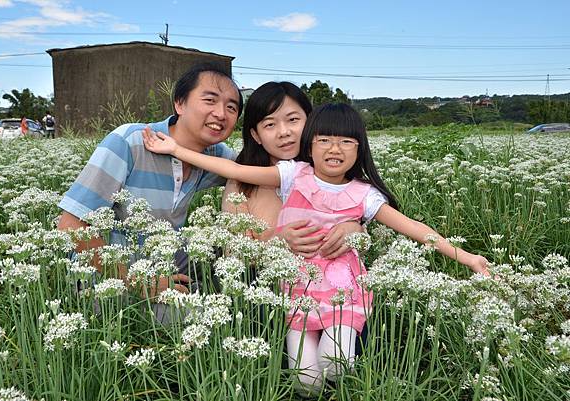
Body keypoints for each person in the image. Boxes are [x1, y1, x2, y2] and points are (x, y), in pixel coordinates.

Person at [142, 102, 490, 392]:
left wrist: (468, 258)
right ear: (310, 146)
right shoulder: (294, 175)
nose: (335, 149)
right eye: (324, 140)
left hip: (343, 293)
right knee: (305, 382)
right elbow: (233, 168)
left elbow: (415, 229)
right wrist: (176, 149)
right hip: (297, 290)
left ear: (360, 149)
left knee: (336, 364)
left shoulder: (365, 196)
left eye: (346, 142)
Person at [57, 63, 243, 298]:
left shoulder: (214, 154)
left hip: (167, 259)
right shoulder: (129, 141)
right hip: (106, 273)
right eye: (210, 100)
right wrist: (138, 281)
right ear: (180, 103)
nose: (221, 114)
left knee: (227, 254)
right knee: (177, 321)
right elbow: (70, 226)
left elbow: (254, 172)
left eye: (231, 107)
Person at [222, 81, 361, 259]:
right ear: (256, 135)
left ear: (311, 121)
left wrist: (355, 230)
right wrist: (278, 242)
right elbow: (233, 253)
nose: (284, 132)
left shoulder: (333, 172)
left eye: (293, 120)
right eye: (270, 124)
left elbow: (360, 231)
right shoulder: (240, 185)